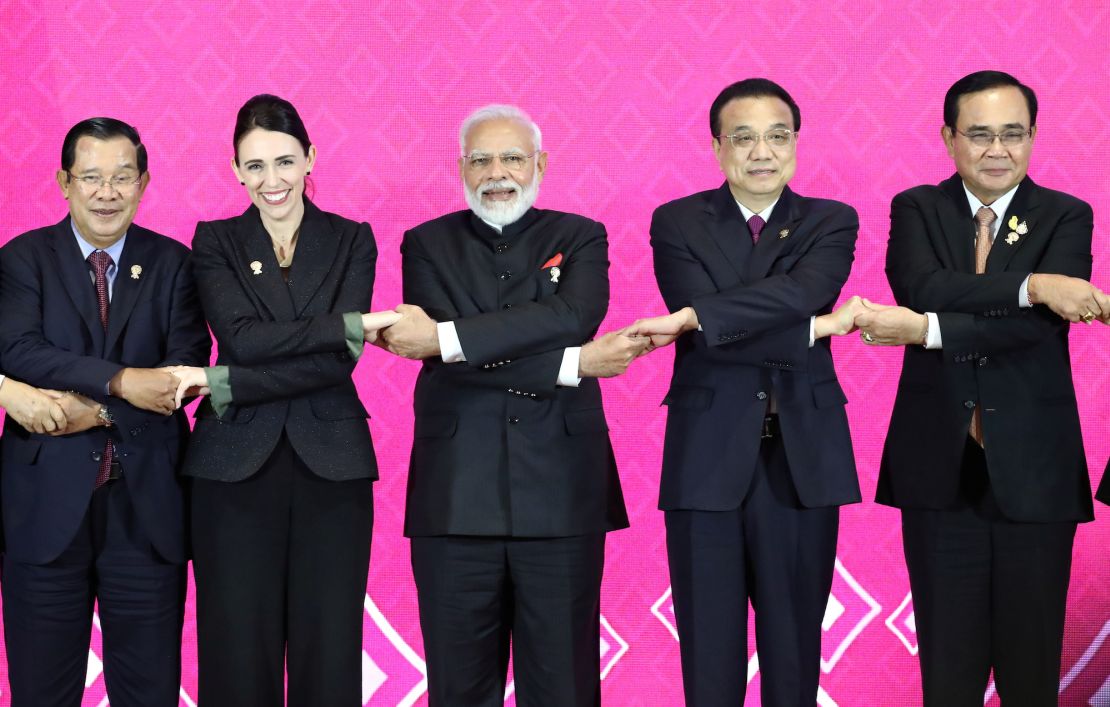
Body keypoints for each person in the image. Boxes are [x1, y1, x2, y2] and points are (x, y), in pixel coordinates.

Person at [377, 104, 644, 706]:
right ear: (461, 168)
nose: (497, 172)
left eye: (512, 158)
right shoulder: (425, 243)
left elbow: (573, 315)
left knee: (565, 687)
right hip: (455, 499)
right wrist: (570, 363)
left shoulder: (580, 235)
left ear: (540, 164)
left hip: (562, 493)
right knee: (459, 687)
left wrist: (452, 338)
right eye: (481, 160)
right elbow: (442, 346)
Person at [855, 70, 1095, 706]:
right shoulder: (918, 208)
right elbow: (921, 286)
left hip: (1035, 470)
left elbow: (1036, 333)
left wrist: (926, 331)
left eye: (1013, 134)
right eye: (981, 135)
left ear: (1034, 136)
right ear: (949, 138)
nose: (998, 150)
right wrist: (1032, 286)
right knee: (948, 675)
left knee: (1031, 672)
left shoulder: (1068, 214)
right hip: (939, 468)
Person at [626, 78, 865, 706]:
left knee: (794, 653)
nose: (763, 151)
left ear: (795, 143)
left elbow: (799, 293)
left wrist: (706, 315)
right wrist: (812, 330)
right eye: (745, 137)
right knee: (708, 651)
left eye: (778, 136)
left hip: (801, 457)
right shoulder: (677, 220)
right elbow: (714, 327)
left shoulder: (830, 220)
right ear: (717, 148)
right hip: (707, 455)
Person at [165, 94, 397, 707]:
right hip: (231, 466)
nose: (273, 181)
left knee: (330, 646)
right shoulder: (213, 241)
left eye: (286, 162)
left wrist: (224, 383)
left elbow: (337, 364)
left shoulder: (353, 239)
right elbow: (240, 337)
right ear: (236, 170)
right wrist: (347, 322)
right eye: (256, 165)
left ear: (311, 158)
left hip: (333, 463)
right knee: (236, 646)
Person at [0, 117, 210, 706]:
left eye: (122, 177)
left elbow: (182, 371)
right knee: (42, 693)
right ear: (64, 182)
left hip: (145, 517)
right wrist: (119, 384)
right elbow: (20, 352)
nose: (107, 192)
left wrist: (91, 411)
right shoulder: (23, 259)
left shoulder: (174, 263)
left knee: (147, 694)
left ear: (144, 183)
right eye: (91, 177)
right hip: (43, 512)